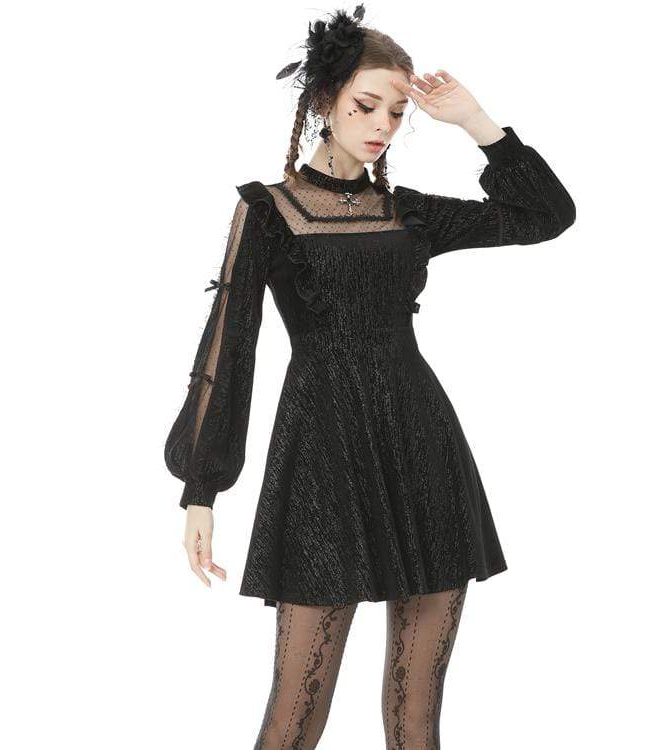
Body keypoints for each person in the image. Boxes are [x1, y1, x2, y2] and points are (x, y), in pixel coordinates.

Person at [164, 5, 575, 748]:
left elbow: (545, 216)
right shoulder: (269, 211)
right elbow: (230, 343)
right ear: (325, 100)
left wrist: (477, 123)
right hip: (322, 458)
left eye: (395, 111)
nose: (382, 123)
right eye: (365, 105)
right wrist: (202, 487)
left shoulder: (409, 214)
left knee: (417, 717)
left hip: (422, 449)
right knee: (294, 713)